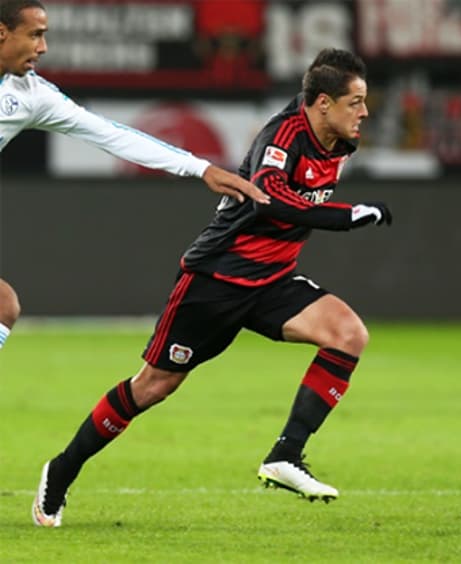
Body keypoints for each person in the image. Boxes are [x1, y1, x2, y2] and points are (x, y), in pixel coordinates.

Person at [31, 47, 392, 527]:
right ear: (322, 103)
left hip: (272, 282)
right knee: (154, 386)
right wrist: (346, 215)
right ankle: (61, 471)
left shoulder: (341, 142)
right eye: (355, 101)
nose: (364, 112)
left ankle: (285, 456)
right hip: (215, 279)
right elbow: (269, 201)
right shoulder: (281, 136)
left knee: (348, 334)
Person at [0, 0, 268, 350]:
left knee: (4, 306)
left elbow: (113, 135)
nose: (43, 47)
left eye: (44, 36)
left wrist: (199, 167)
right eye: (35, 35)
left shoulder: (30, 95)